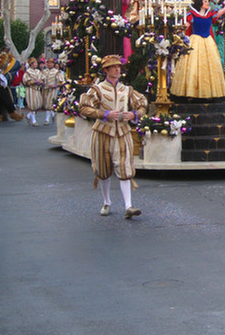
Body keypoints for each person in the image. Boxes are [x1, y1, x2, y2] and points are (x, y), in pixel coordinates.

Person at [79, 55, 147, 219]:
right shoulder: (98, 89)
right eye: (114, 67)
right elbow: (83, 107)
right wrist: (104, 114)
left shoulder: (127, 90)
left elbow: (142, 104)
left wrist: (134, 114)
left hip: (122, 133)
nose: (117, 70)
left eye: (119, 67)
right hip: (103, 133)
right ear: (106, 70)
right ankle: (107, 202)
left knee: (125, 168)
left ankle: (128, 206)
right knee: (103, 169)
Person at [170, 0, 225, 100]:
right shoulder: (192, 14)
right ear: (200, 3)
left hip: (208, 41)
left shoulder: (210, 14)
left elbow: (223, 10)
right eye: (205, 1)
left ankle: (208, 92)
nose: (207, 3)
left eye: (208, 1)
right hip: (195, 40)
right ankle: (192, 92)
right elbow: (186, 26)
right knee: (193, 66)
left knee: (209, 66)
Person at [41, 58, 64, 125]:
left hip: (53, 90)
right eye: (48, 63)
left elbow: (61, 81)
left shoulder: (56, 72)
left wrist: (55, 85)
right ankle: (52, 114)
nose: (49, 64)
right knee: (45, 103)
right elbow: (42, 79)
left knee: (49, 103)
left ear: (53, 64)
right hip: (45, 89)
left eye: (51, 63)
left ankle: (47, 119)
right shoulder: (44, 71)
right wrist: (42, 82)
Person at [22, 57, 43, 127]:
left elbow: (42, 79)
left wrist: (41, 82)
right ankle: (34, 121)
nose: (36, 64)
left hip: (37, 89)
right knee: (32, 105)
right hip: (31, 90)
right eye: (34, 63)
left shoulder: (38, 71)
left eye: (36, 63)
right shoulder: (28, 72)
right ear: (31, 64)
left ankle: (28, 116)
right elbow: (26, 81)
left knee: (38, 104)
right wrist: (35, 81)